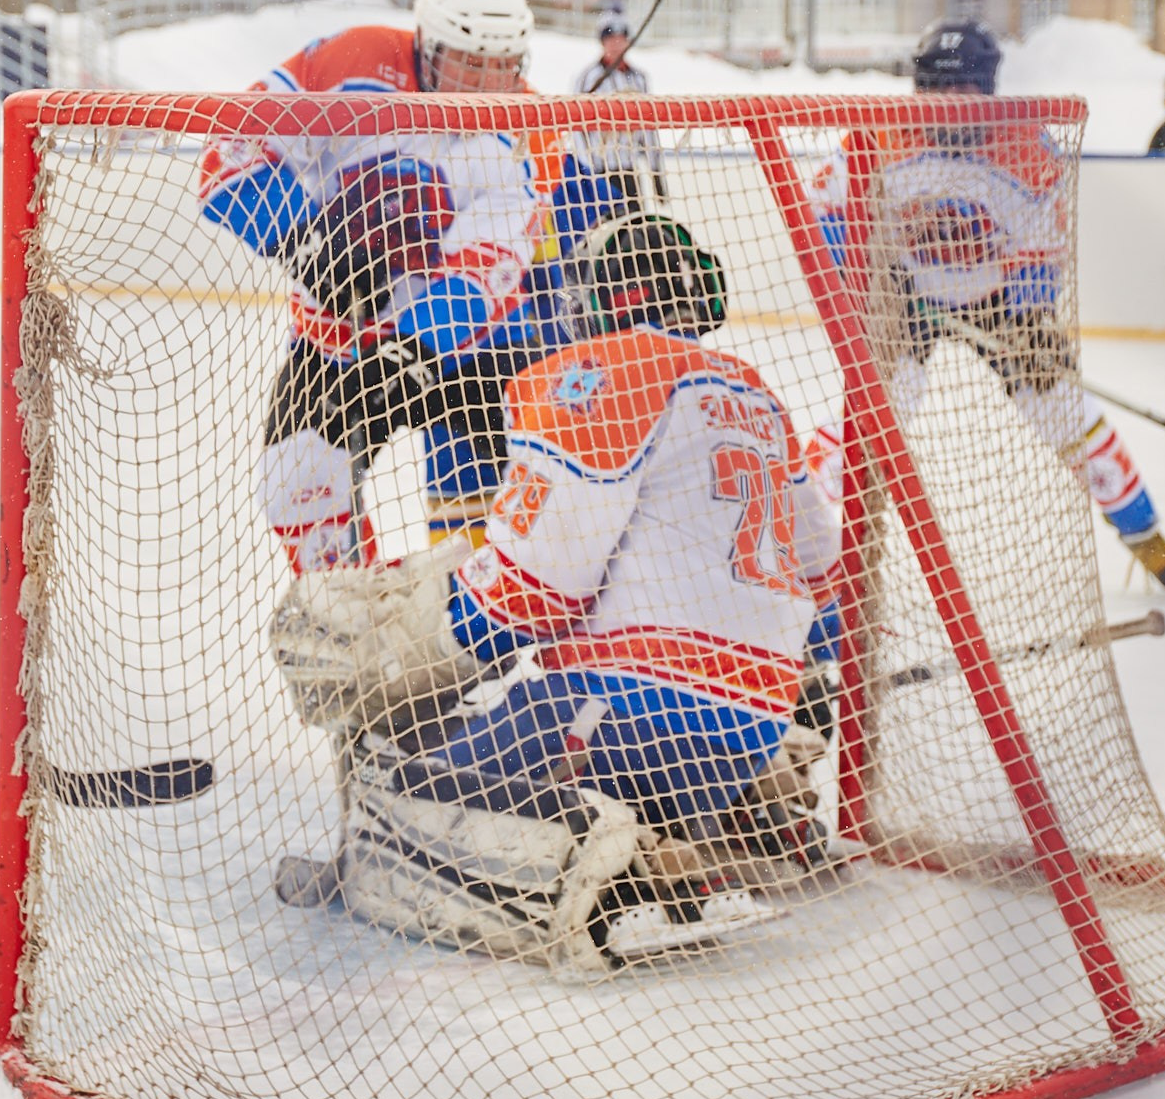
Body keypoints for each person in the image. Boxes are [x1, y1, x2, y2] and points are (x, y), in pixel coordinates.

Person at [268, 214, 842, 974]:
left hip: (619, 713)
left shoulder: (606, 370)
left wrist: (434, 640)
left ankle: (612, 880)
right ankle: (733, 818)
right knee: (558, 737)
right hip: (752, 731)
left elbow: (538, 586)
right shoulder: (755, 393)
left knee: (398, 773)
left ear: (608, 298)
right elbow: (825, 569)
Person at [813, 20, 1165, 590]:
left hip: (997, 299)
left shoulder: (1027, 148)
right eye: (935, 91)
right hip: (904, 296)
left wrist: (1030, 318)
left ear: (987, 88)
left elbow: (1045, 252)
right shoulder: (879, 135)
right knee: (873, 413)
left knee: (1061, 406)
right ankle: (804, 539)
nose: (948, 106)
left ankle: (1143, 534)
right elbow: (824, 208)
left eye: (962, 90)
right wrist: (872, 284)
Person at [197, 0, 544, 567]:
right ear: (427, 46)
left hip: (463, 352)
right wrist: (309, 244)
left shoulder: (529, 131)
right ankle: (354, 627)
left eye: (503, 66)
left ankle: (474, 639)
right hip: (331, 337)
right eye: (468, 62)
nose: (484, 85)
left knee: (485, 516)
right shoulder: (351, 63)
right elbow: (228, 151)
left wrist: (410, 352)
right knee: (294, 486)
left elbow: (485, 270)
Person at [575, 6, 649, 96]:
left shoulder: (639, 78)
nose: (616, 44)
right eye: (610, 39)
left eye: (620, 39)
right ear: (602, 42)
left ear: (627, 43)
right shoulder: (588, 77)